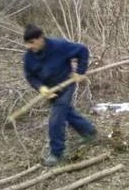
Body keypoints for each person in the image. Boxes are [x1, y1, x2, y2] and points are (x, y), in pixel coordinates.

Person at [23, 24, 97, 166]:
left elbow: (82, 50)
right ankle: (89, 132)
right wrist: (41, 88)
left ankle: (56, 153)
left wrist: (80, 72)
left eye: (31, 42)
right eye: (27, 43)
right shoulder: (29, 57)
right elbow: (30, 76)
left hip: (66, 84)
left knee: (56, 118)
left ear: (40, 38)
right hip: (50, 91)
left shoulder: (59, 46)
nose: (29, 46)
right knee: (66, 112)